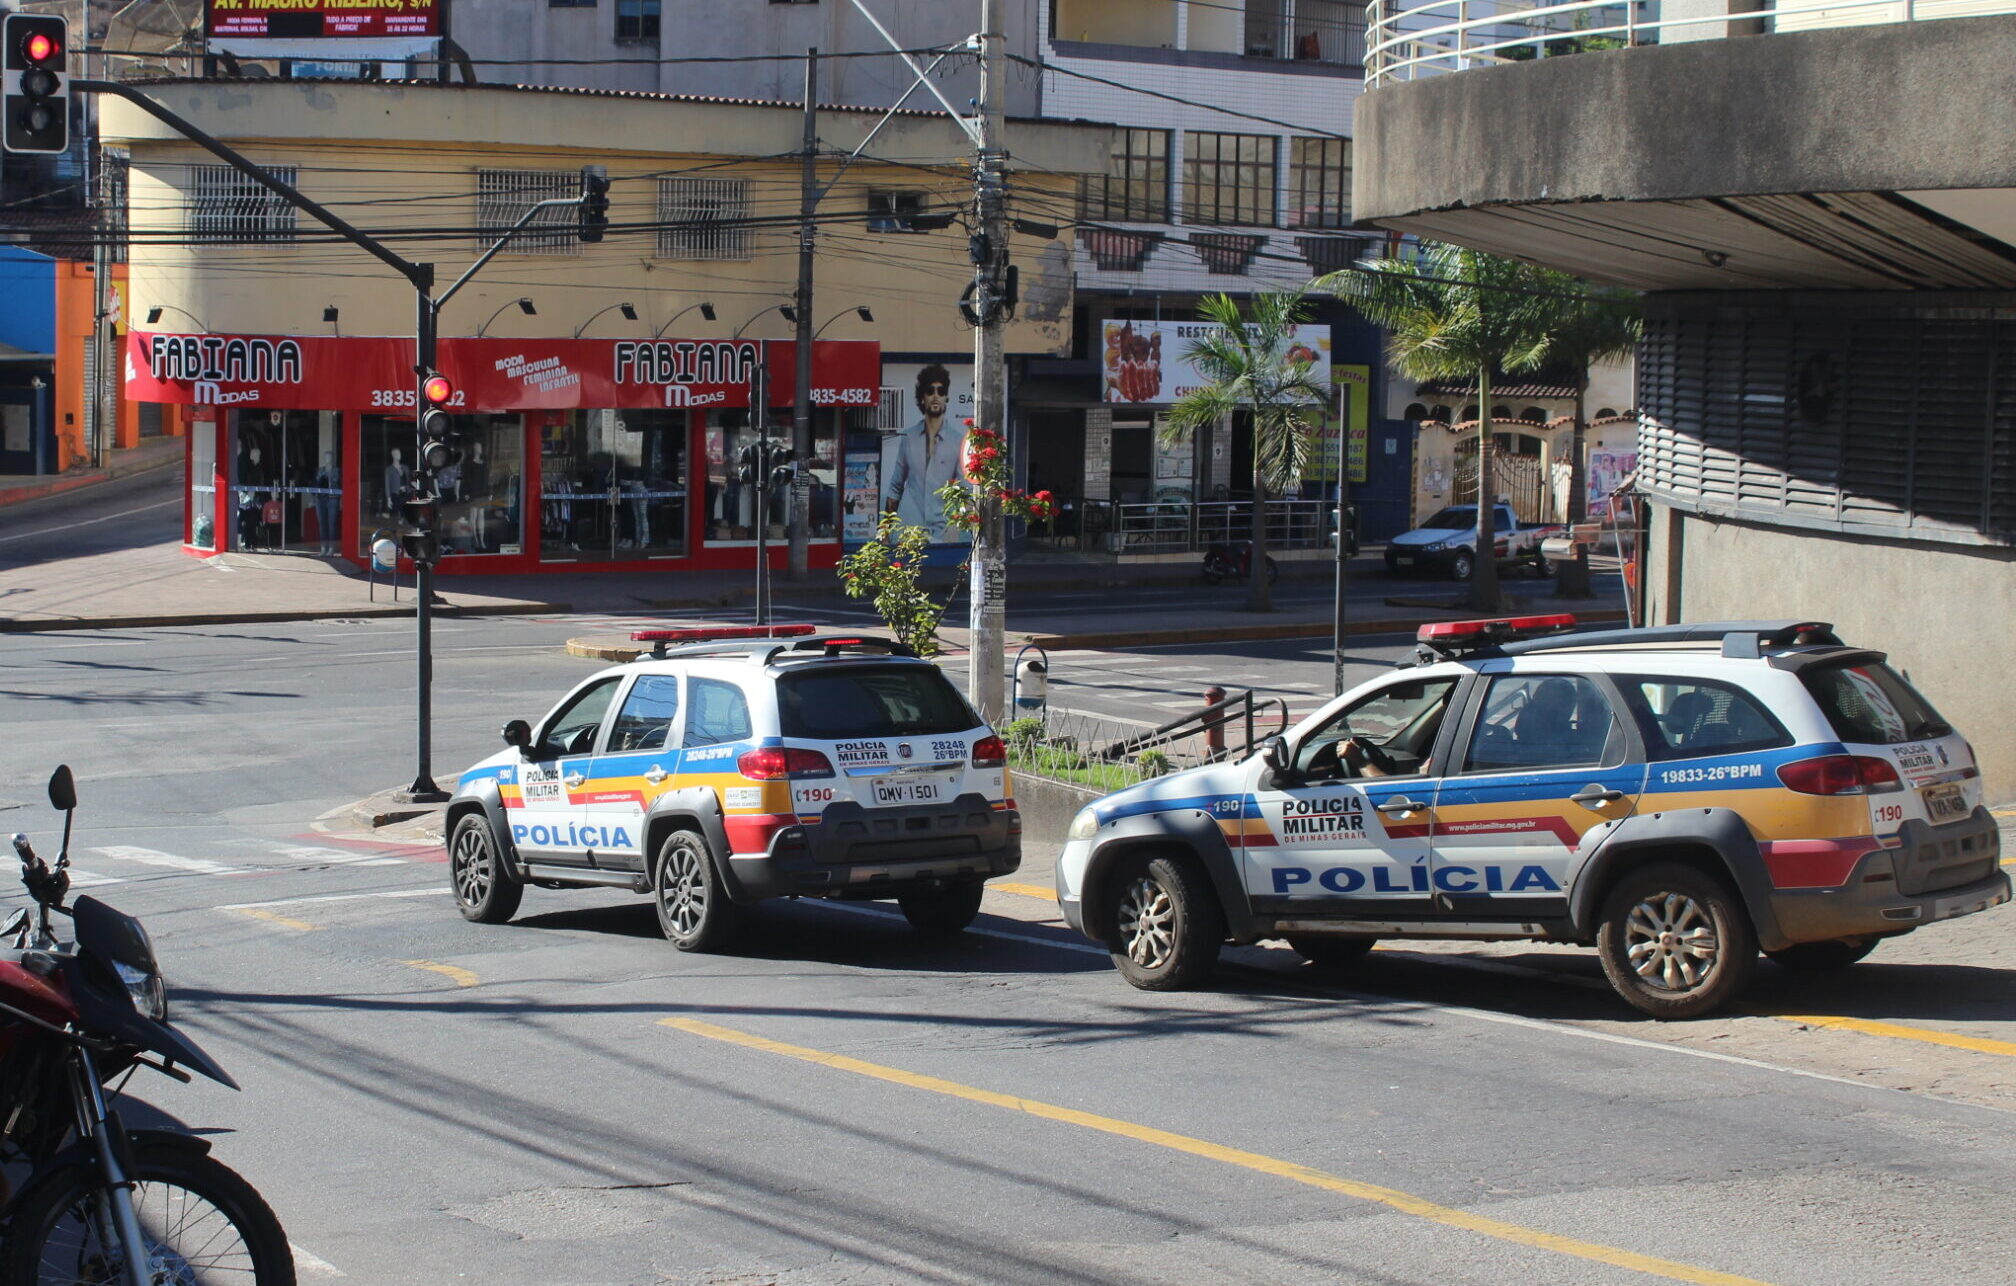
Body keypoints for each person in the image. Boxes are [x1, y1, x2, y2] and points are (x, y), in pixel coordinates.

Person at [882, 364, 964, 542]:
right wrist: (885, 531)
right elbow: (896, 487)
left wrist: (956, 525)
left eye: (941, 391)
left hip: (945, 533)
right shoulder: (908, 437)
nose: (935, 396)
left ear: (946, 397)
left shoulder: (958, 441)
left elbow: (965, 490)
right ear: (922, 398)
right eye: (930, 390)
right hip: (911, 530)